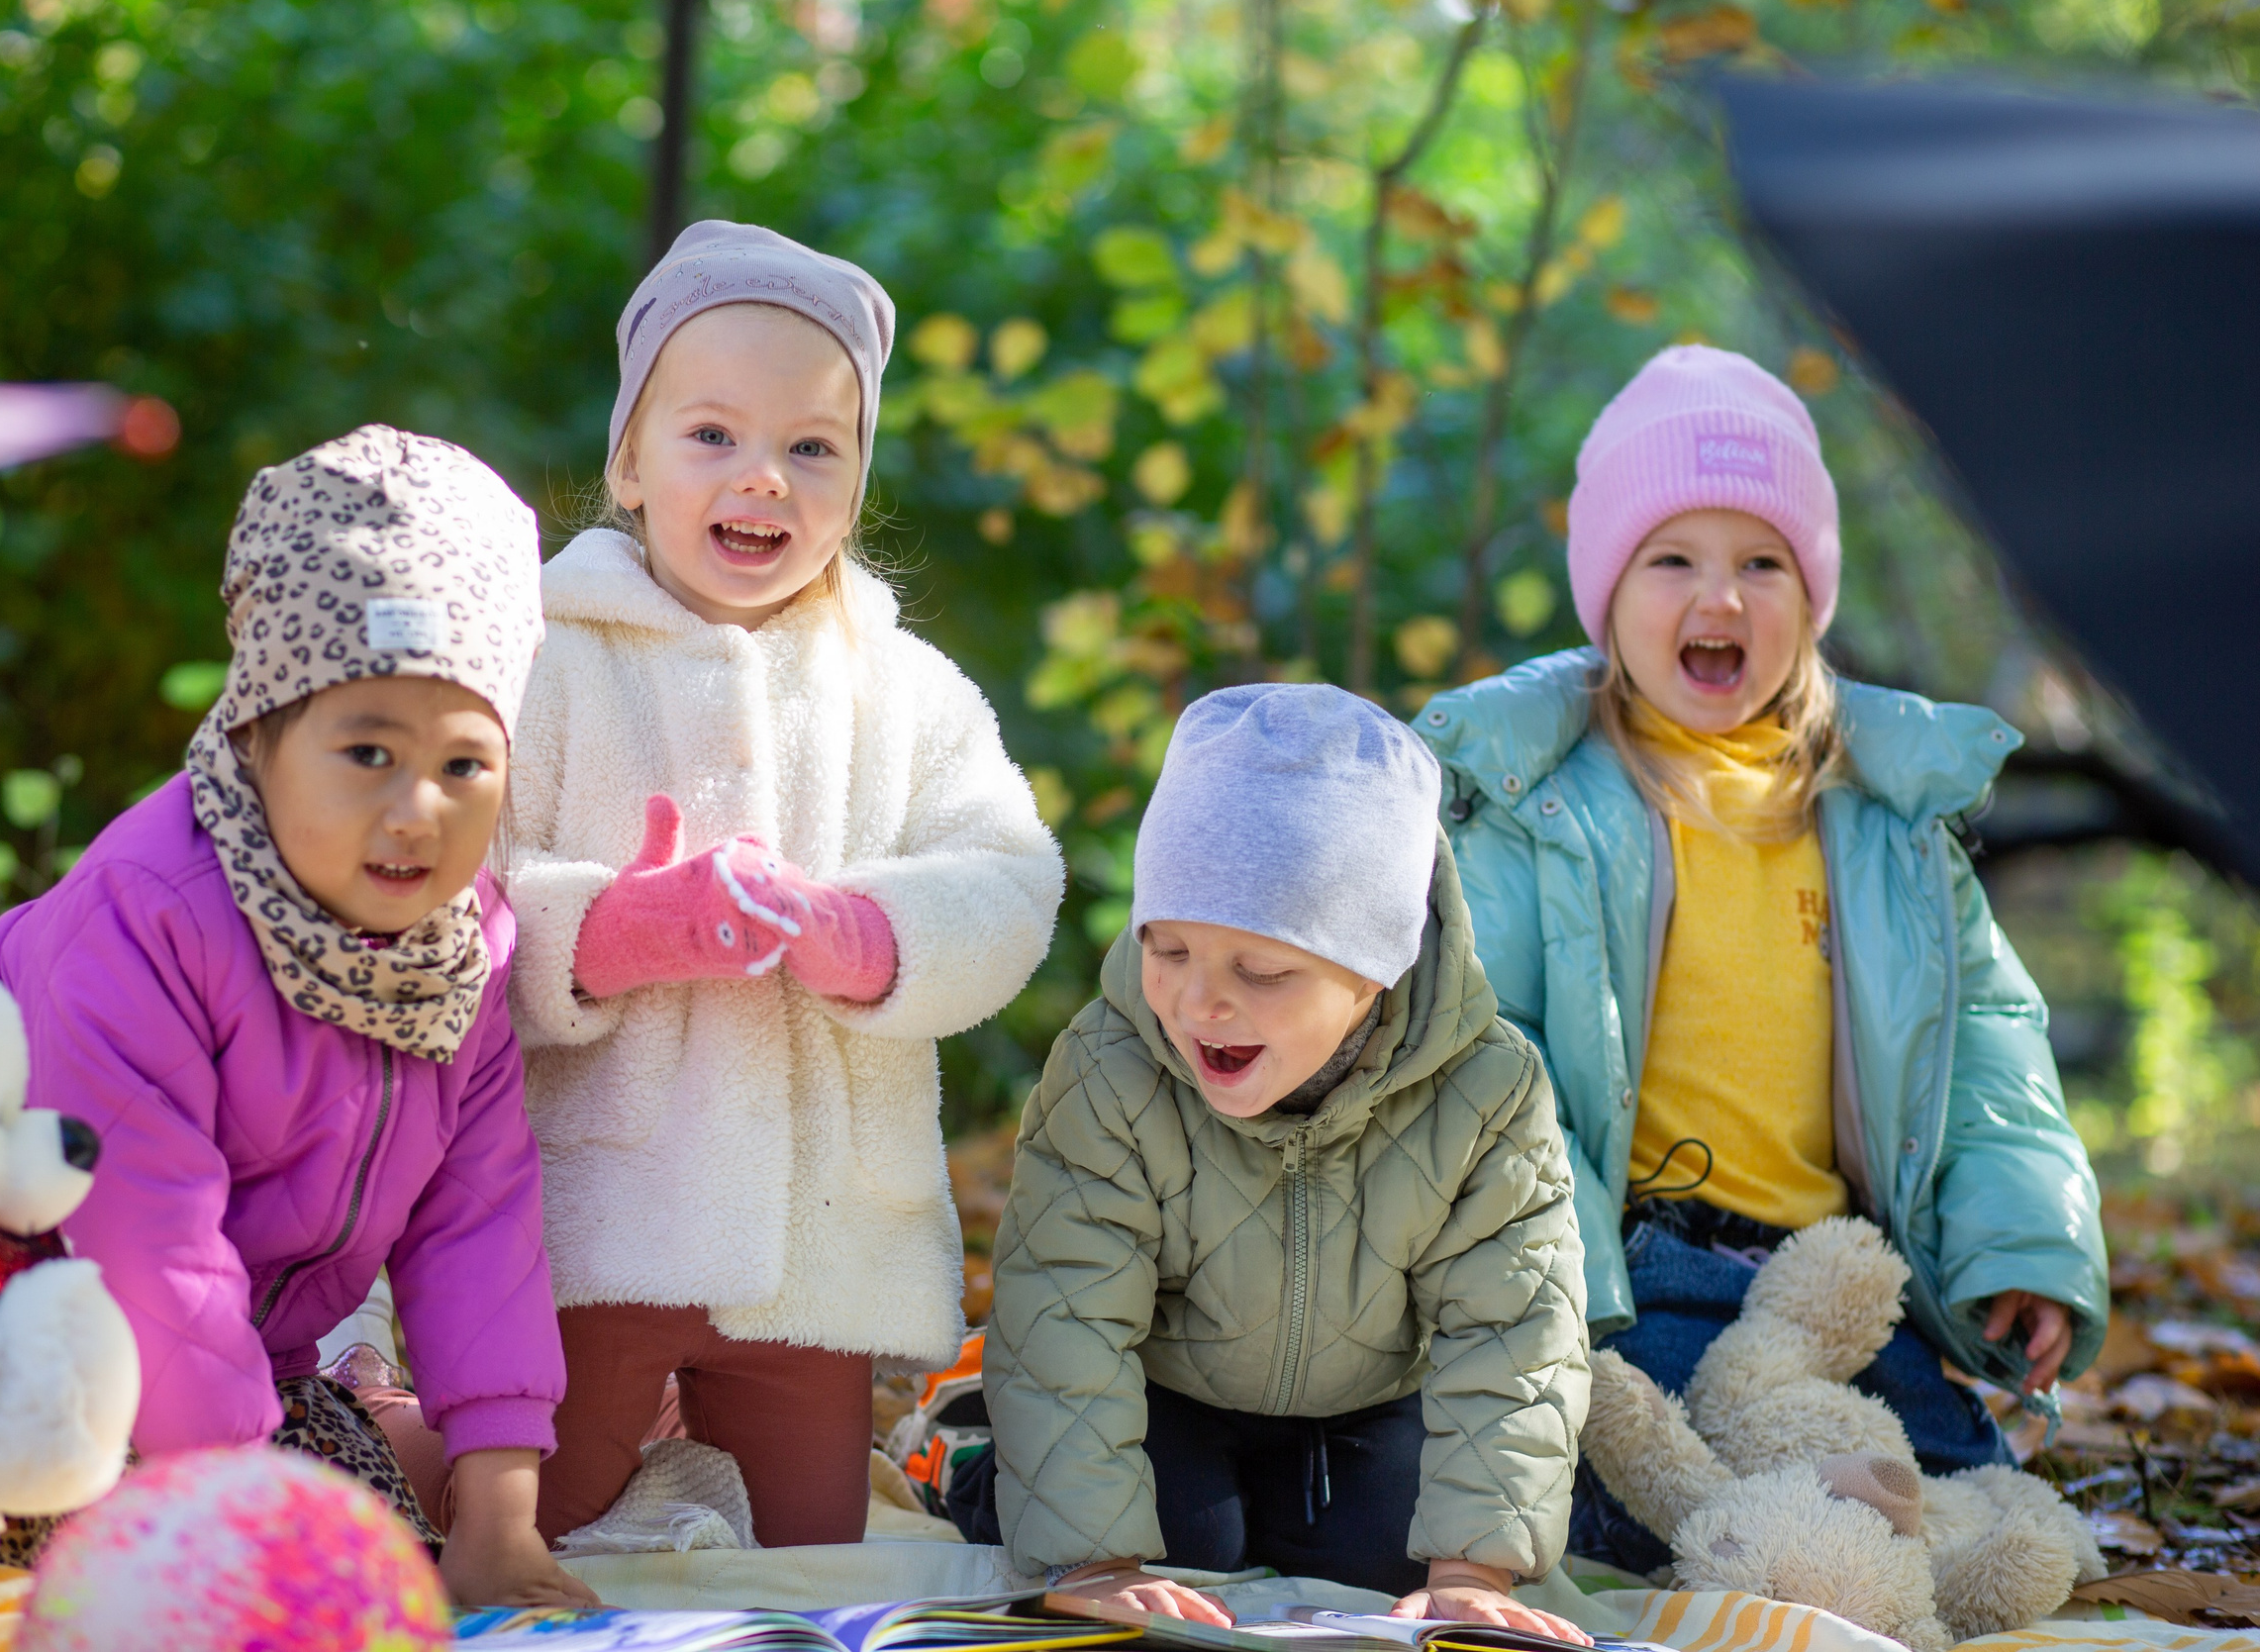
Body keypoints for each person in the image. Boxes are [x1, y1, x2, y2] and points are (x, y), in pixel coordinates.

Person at [1419, 344, 2111, 1573]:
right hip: (1639, 1271)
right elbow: (1489, 1049)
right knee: (1630, 1454)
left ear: (1811, 596)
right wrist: (1555, 1287)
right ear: (1608, 591)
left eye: (1761, 564)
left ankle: (1856, 1529)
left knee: (1968, 1486)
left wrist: (2018, 1251)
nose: (1719, 599)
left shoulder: (1883, 826)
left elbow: (1987, 1061)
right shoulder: (1539, 809)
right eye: (1671, 560)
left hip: (1831, 1280)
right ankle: (1767, 1526)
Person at [506, 221, 1065, 1547]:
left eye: (813, 445)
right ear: (628, 464)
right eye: (713, 434)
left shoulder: (903, 685)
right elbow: (460, 884)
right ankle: (389, 1443)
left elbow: (1008, 872)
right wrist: (603, 930)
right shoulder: (547, 660)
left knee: (807, 1543)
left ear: (858, 480)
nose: (764, 476)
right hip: (598, 1218)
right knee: (549, 1514)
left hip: (819, 1243)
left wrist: (870, 932)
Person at [0, 428, 582, 1609]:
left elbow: (480, 1220)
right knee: (167, 1586)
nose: (416, 811)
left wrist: (500, 1517)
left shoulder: (466, 951)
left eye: (465, 766)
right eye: (367, 752)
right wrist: (250, 1521)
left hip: (247, 1374)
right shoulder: (147, 918)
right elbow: (144, 1240)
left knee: (392, 1568)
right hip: (26, 1347)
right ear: (258, 734)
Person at [962, 684, 1591, 1637]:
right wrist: (1092, 1556)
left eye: (1259, 970)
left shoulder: (1488, 1090)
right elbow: (1066, 1306)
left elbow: (1516, 1330)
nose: (1200, 1002)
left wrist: (1475, 1569)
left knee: (1394, 1566)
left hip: (1367, 1407)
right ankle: (969, 1468)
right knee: (1178, 1548)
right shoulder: (1112, 1066)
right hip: (1165, 1392)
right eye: (1168, 948)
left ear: (1377, 965)